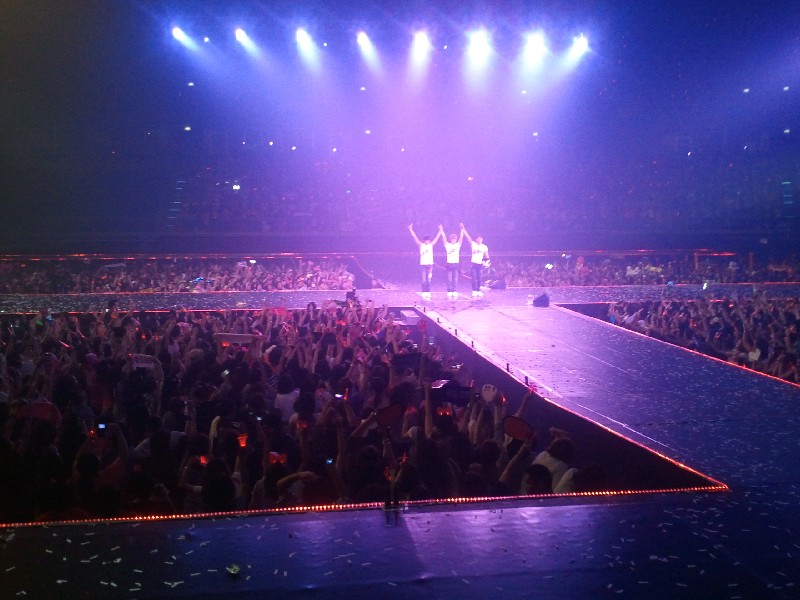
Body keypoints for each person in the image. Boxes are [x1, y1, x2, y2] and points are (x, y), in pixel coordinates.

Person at [408, 224, 443, 301]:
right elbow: (415, 238)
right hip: (423, 265)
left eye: (428, 240)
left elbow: (437, 238)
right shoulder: (421, 245)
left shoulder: (431, 245)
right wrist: (411, 230)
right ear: (424, 240)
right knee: (424, 279)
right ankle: (424, 291)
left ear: (429, 240)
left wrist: (440, 230)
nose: (427, 241)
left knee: (429, 280)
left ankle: (428, 291)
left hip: (430, 265)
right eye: (426, 240)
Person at [462, 227, 490, 298]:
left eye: (480, 238)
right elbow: (468, 237)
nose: (479, 239)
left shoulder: (484, 247)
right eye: (478, 238)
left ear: (482, 239)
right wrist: (464, 230)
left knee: (479, 278)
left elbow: (486, 255)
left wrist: (487, 262)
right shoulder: (473, 244)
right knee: (474, 278)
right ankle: (474, 290)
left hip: (480, 264)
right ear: (476, 239)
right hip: (474, 264)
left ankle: (478, 290)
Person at [443, 224, 466, 300]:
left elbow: (461, 238)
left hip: (456, 263)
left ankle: (455, 290)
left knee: (455, 278)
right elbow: (444, 238)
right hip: (449, 263)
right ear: (450, 239)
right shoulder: (447, 245)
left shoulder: (457, 245)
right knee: (449, 278)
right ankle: (450, 290)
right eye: (453, 239)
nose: (454, 240)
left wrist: (462, 229)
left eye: (455, 239)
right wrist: (442, 231)